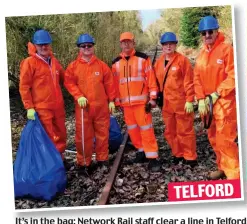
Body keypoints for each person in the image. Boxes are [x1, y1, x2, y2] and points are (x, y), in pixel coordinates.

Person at [194, 15, 239, 180]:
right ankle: (222, 168)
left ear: (216, 31)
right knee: (213, 138)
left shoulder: (227, 50)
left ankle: (234, 177)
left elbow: (234, 75)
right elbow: (196, 80)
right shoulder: (200, 56)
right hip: (208, 105)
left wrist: (217, 93)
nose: (207, 35)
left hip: (224, 103)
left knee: (225, 141)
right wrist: (200, 100)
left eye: (210, 31)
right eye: (204, 33)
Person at [64, 33, 115, 172]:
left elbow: (110, 84)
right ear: (79, 48)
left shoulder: (102, 66)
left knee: (102, 134)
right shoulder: (73, 67)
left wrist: (111, 100)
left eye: (89, 46)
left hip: (101, 107)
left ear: (93, 47)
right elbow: (68, 82)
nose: (86, 48)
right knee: (83, 137)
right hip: (83, 108)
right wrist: (78, 95)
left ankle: (102, 159)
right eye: (83, 46)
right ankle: (84, 163)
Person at [112, 32, 161, 172]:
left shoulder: (143, 59)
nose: (126, 44)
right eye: (123, 42)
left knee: (146, 130)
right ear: (120, 44)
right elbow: (114, 85)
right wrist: (116, 102)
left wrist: (153, 99)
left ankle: (152, 157)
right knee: (133, 131)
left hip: (141, 104)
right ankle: (141, 151)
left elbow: (151, 79)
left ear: (133, 43)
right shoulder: (115, 63)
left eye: (129, 41)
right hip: (126, 106)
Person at [19, 29, 67, 162]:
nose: (44, 47)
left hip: (58, 106)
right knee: (47, 136)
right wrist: (29, 107)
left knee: (61, 134)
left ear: (50, 44)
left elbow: (66, 79)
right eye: (41, 45)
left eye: (46, 44)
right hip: (42, 108)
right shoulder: (29, 63)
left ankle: (60, 160)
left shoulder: (54, 62)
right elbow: (24, 87)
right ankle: (50, 163)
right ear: (35, 46)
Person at [154, 32, 197, 167]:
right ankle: (177, 154)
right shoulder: (159, 62)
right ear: (162, 46)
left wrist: (190, 99)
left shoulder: (182, 60)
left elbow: (189, 81)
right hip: (166, 105)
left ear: (175, 45)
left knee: (185, 130)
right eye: (165, 44)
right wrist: (155, 98)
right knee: (170, 131)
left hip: (181, 103)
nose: (168, 46)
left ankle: (190, 157)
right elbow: (155, 82)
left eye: (171, 44)